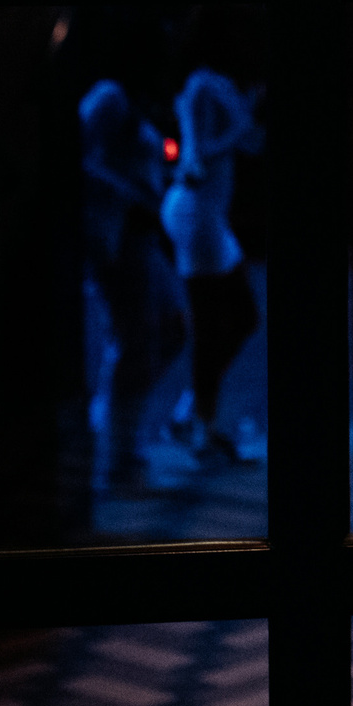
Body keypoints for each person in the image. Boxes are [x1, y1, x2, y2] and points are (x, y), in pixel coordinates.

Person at [79, 80, 187, 488]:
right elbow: (78, 156)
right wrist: (130, 191)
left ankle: (116, 434)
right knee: (137, 343)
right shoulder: (110, 96)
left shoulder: (139, 96)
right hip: (117, 236)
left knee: (171, 331)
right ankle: (120, 459)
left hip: (139, 235)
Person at [162, 68, 262, 459]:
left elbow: (250, 143)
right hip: (197, 214)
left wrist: (249, 116)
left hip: (209, 219)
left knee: (242, 319)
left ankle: (193, 414)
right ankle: (200, 424)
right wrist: (241, 125)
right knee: (213, 325)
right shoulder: (203, 84)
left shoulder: (223, 86)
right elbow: (200, 154)